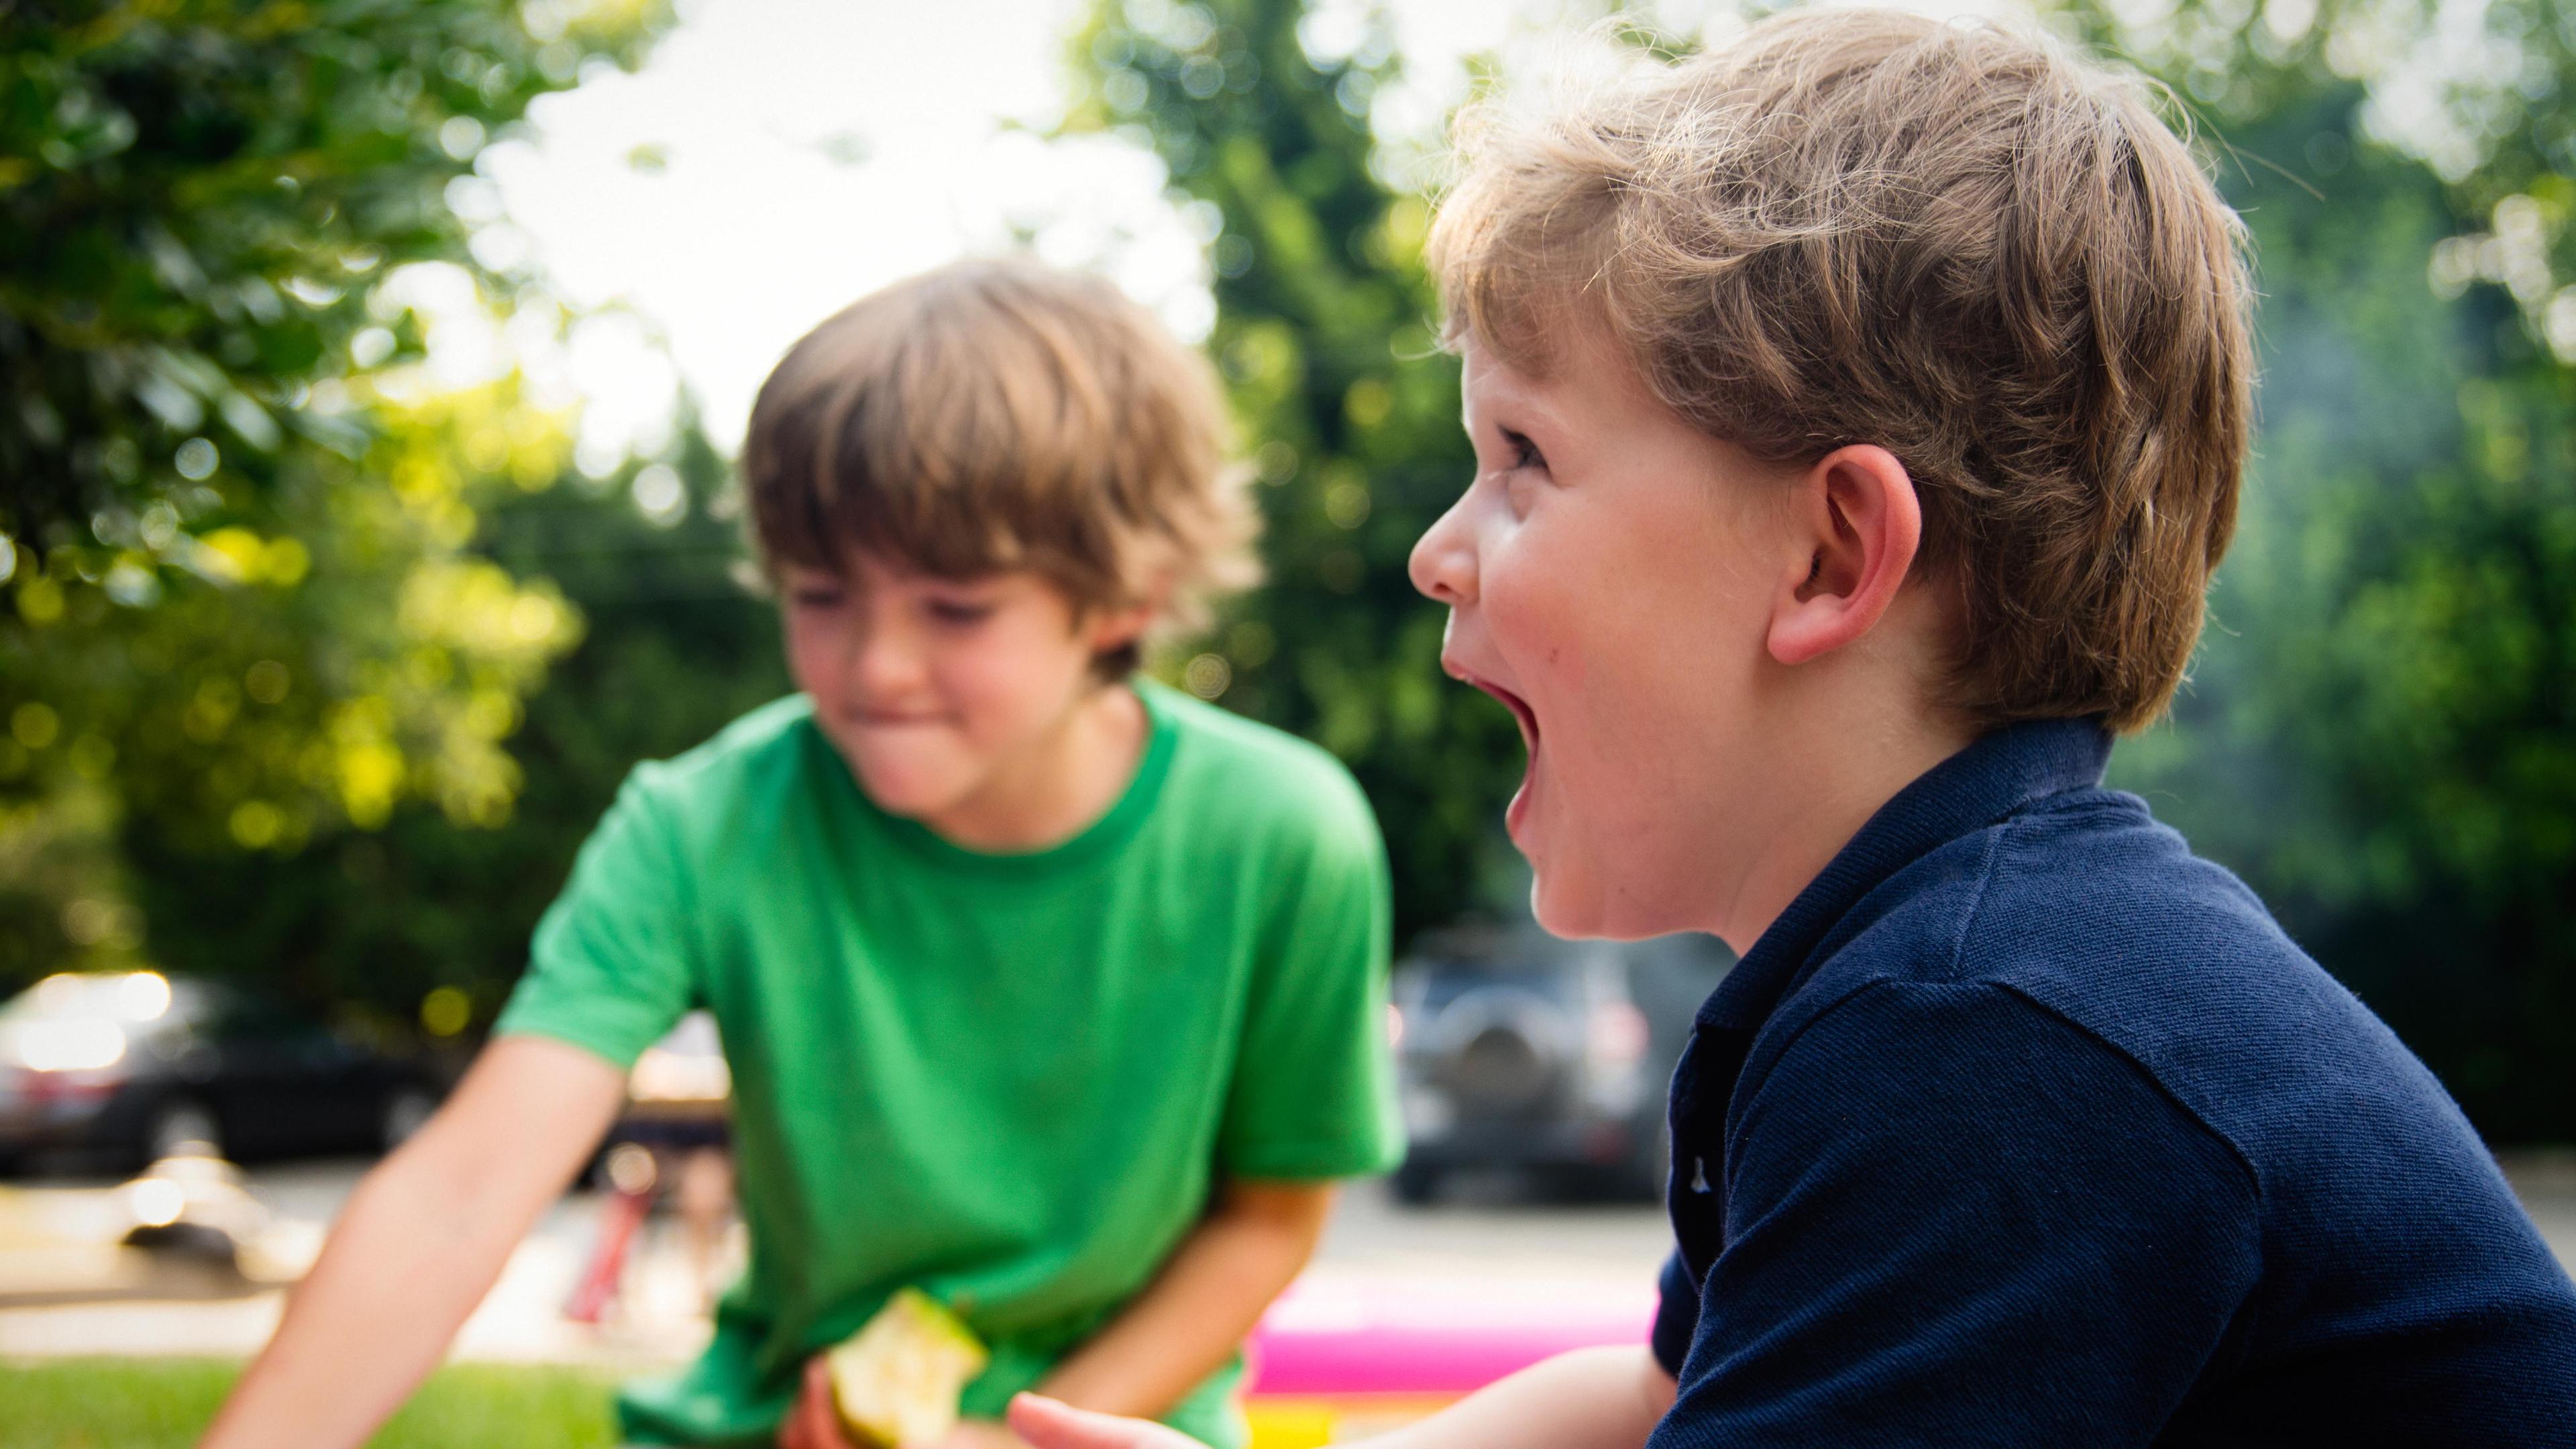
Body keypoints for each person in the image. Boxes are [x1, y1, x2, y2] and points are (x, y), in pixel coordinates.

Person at [1005, 11, 2576, 1449]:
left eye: (1523, 455)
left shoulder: (1985, 1040)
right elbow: (1656, 1399)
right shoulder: (1950, 964)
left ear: (1830, 557)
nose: (1437, 546)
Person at [198, 260, 1403, 1449]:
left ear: (1127, 596)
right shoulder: (702, 825)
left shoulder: (1284, 834)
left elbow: (1270, 1214)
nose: (875, 666)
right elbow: (459, 1197)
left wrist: (1018, 1435)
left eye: (956, 607)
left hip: (1113, 1430)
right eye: (822, 595)